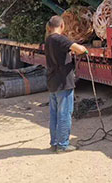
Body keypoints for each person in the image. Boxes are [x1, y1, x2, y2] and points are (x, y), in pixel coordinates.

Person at [45, 15, 88, 153]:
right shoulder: (60, 39)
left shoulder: (48, 40)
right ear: (62, 25)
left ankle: (54, 143)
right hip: (63, 82)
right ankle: (63, 145)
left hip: (53, 82)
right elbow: (80, 49)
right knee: (64, 114)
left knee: (54, 115)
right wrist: (85, 50)